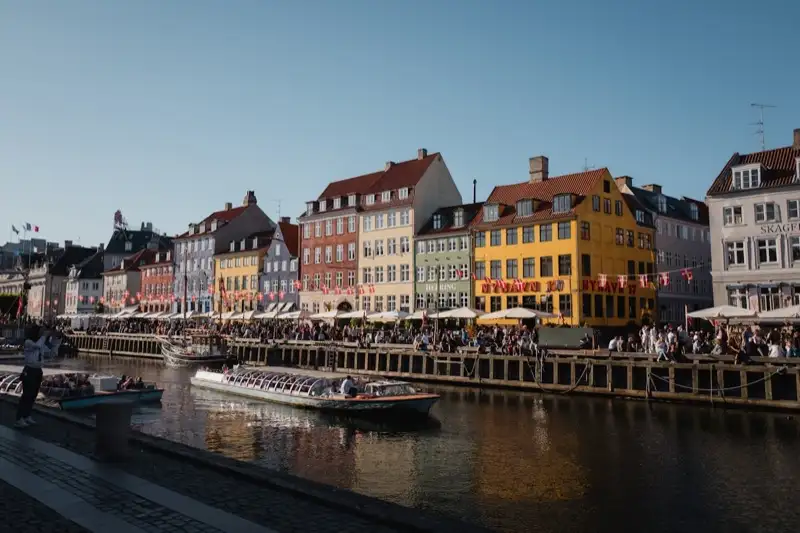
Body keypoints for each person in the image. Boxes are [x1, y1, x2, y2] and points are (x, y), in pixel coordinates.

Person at [16, 327, 46, 428]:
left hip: (38, 370)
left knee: (33, 395)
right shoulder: (29, 342)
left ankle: (26, 415)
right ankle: (19, 418)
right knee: (26, 395)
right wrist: (44, 337)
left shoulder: (39, 343)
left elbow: (50, 352)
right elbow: (37, 346)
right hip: (30, 370)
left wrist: (56, 340)